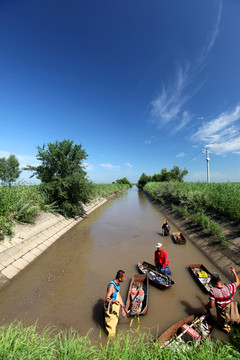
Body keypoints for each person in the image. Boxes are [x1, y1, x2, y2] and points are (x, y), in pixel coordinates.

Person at [206, 267, 240, 333]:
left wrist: (206, 307)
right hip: (233, 313)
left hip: (224, 316)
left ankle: (228, 332)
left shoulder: (213, 291)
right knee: (235, 322)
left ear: (212, 282)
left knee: (224, 327)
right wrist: (234, 272)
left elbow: (211, 305)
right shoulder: (230, 287)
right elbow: (238, 282)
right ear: (220, 279)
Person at [104, 269, 127, 337]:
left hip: (114, 303)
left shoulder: (117, 283)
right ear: (120, 278)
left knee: (115, 321)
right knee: (111, 328)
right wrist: (114, 301)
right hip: (110, 306)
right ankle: (110, 340)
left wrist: (123, 307)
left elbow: (118, 294)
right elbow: (107, 299)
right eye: (124, 277)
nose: (125, 279)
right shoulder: (112, 286)